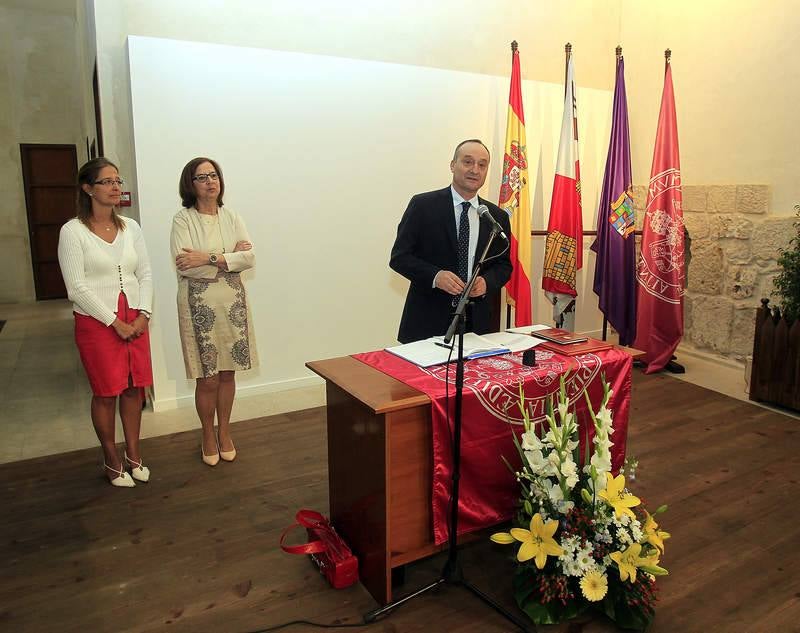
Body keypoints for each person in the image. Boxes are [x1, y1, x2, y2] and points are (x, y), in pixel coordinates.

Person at [57, 157, 154, 487]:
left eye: (118, 180)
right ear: (88, 188)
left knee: (133, 388)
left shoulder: (132, 228)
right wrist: (115, 322)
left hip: (135, 317)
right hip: (97, 322)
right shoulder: (73, 232)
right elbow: (76, 287)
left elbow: (145, 274)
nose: (116, 187)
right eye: (108, 181)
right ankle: (112, 459)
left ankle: (135, 455)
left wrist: (144, 314)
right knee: (106, 392)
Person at [170, 157, 258, 467]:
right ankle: (207, 433)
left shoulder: (232, 216)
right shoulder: (183, 220)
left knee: (227, 372)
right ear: (190, 184)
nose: (210, 181)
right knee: (206, 378)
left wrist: (206, 257)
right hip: (199, 304)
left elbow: (248, 258)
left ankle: (225, 432)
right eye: (202, 177)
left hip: (232, 300)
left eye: (214, 175)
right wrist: (226, 258)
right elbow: (185, 266)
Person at [390, 139, 513, 343]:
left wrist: (486, 282)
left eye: (482, 165)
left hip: (477, 325)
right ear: (452, 165)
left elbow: (504, 265)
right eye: (467, 162)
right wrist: (436, 276)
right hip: (426, 321)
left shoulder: (496, 216)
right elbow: (399, 258)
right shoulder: (423, 206)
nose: (475, 169)